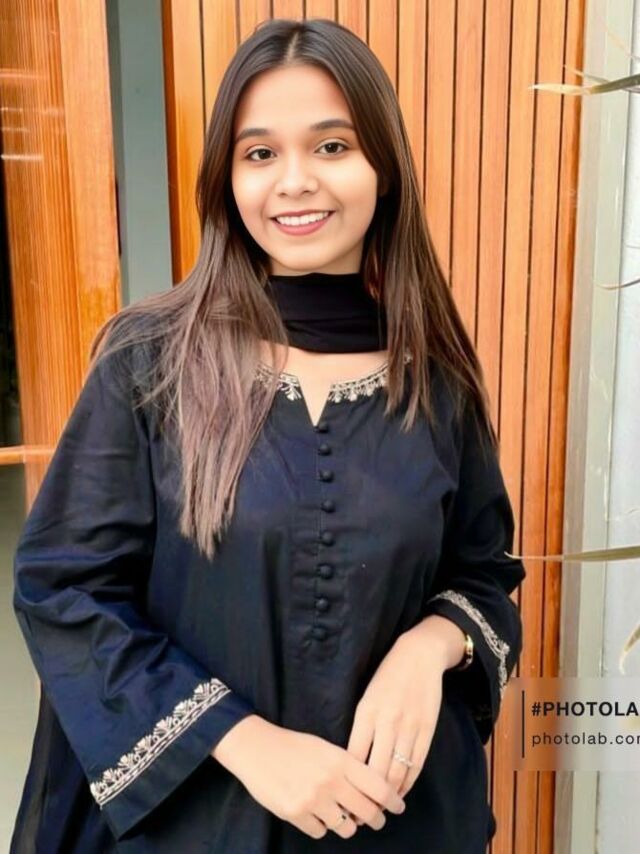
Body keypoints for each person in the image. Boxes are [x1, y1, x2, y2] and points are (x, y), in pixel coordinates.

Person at [10, 17, 525, 854]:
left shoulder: (434, 380)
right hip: (197, 819)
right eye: (260, 153)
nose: (295, 181)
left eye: (332, 146)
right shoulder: (151, 363)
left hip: (394, 820)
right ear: (228, 177)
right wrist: (249, 744)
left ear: (384, 168)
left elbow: (484, 572)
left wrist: (432, 646)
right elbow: (64, 589)